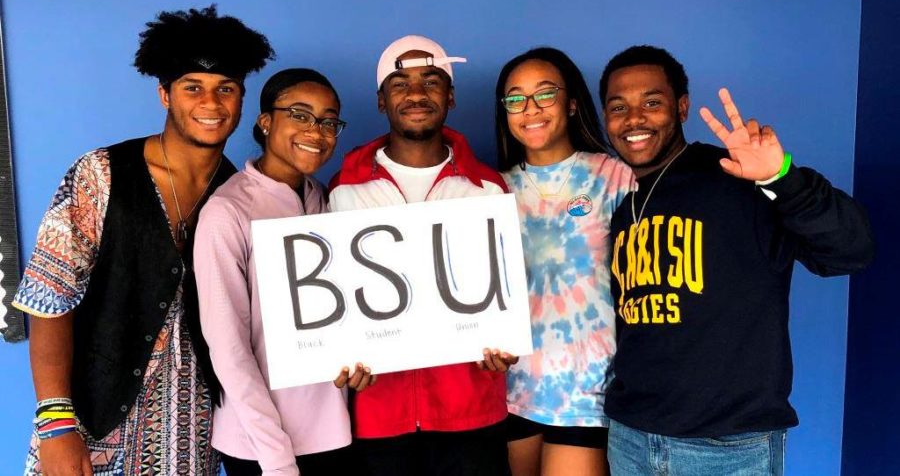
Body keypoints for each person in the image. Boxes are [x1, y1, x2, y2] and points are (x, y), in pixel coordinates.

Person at [12, 6, 273, 474]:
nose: (211, 104)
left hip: (189, 433)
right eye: (193, 87)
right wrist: (55, 424)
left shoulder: (242, 195)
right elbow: (49, 301)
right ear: (164, 95)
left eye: (225, 90)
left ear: (241, 99)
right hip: (88, 424)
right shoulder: (101, 174)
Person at [598, 45, 875, 475]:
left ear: (682, 107)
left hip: (729, 448)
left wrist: (780, 176)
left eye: (652, 102)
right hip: (631, 437)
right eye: (619, 107)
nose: (634, 119)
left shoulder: (735, 176)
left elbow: (851, 250)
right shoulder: (620, 204)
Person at [329, 34, 516, 476]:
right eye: (400, 83)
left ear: (450, 96)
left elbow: (505, 291)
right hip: (379, 415)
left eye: (431, 81)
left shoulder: (487, 186)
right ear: (380, 101)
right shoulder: (344, 188)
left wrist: (506, 345)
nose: (416, 93)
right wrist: (337, 355)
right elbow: (333, 301)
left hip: (471, 411)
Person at [193, 68, 375, 476]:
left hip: (334, 435)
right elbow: (228, 348)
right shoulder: (228, 212)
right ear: (265, 121)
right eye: (300, 114)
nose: (316, 130)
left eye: (329, 121)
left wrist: (360, 361)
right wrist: (275, 458)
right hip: (260, 446)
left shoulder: (325, 199)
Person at [495, 47, 634, 476]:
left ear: (571, 103)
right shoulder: (489, 189)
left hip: (587, 392)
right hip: (511, 386)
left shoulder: (613, 175)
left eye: (545, 94)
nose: (529, 109)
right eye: (515, 98)